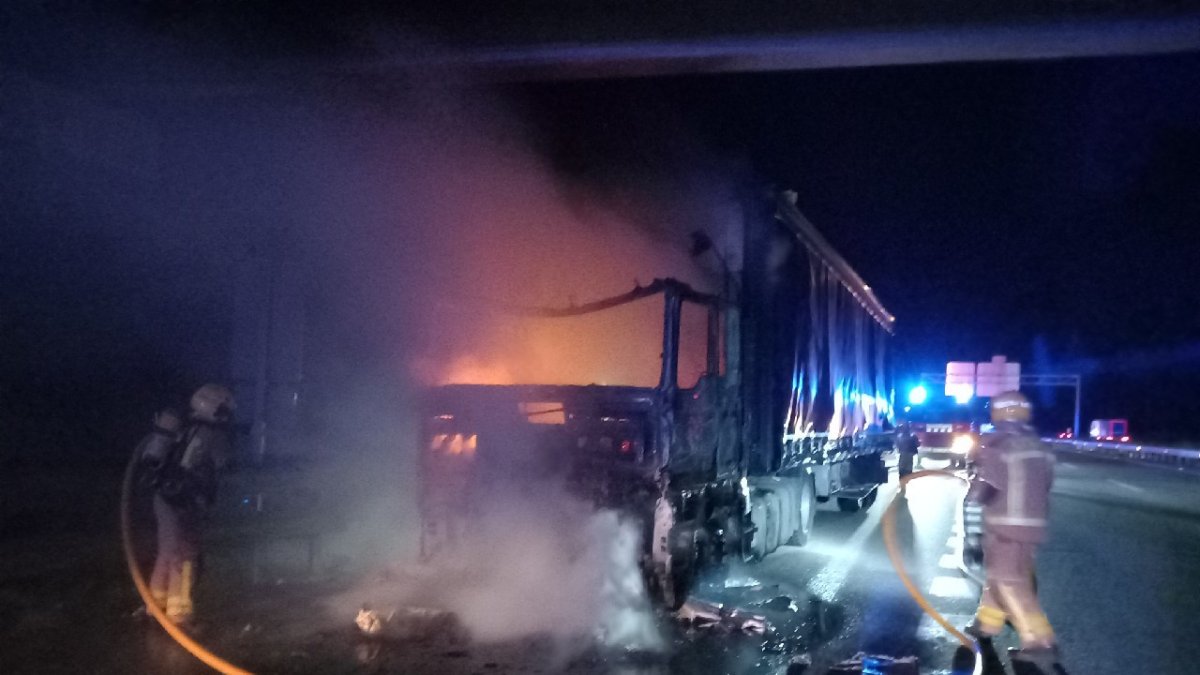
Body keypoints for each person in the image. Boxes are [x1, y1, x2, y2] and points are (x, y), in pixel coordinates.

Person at [964, 390, 1066, 675]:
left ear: (997, 414)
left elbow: (982, 492)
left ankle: (1040, 643)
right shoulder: (1041, 448)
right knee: (1003, 578)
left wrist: (972, 535)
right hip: (1032, 528)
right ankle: (986, 625)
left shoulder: (997, 446)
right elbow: (1045, 487)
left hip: (1003, 528)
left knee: (1009, 584)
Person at [141, 383, 234, 625]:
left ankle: (156, 605)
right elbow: (218, 465)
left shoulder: (184, 426)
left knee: (167, 550)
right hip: (186, 499)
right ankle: (179, 612)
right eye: (224, 408)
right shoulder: (212, 434)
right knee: (185, 554)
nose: (227, 414)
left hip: (163, 495)